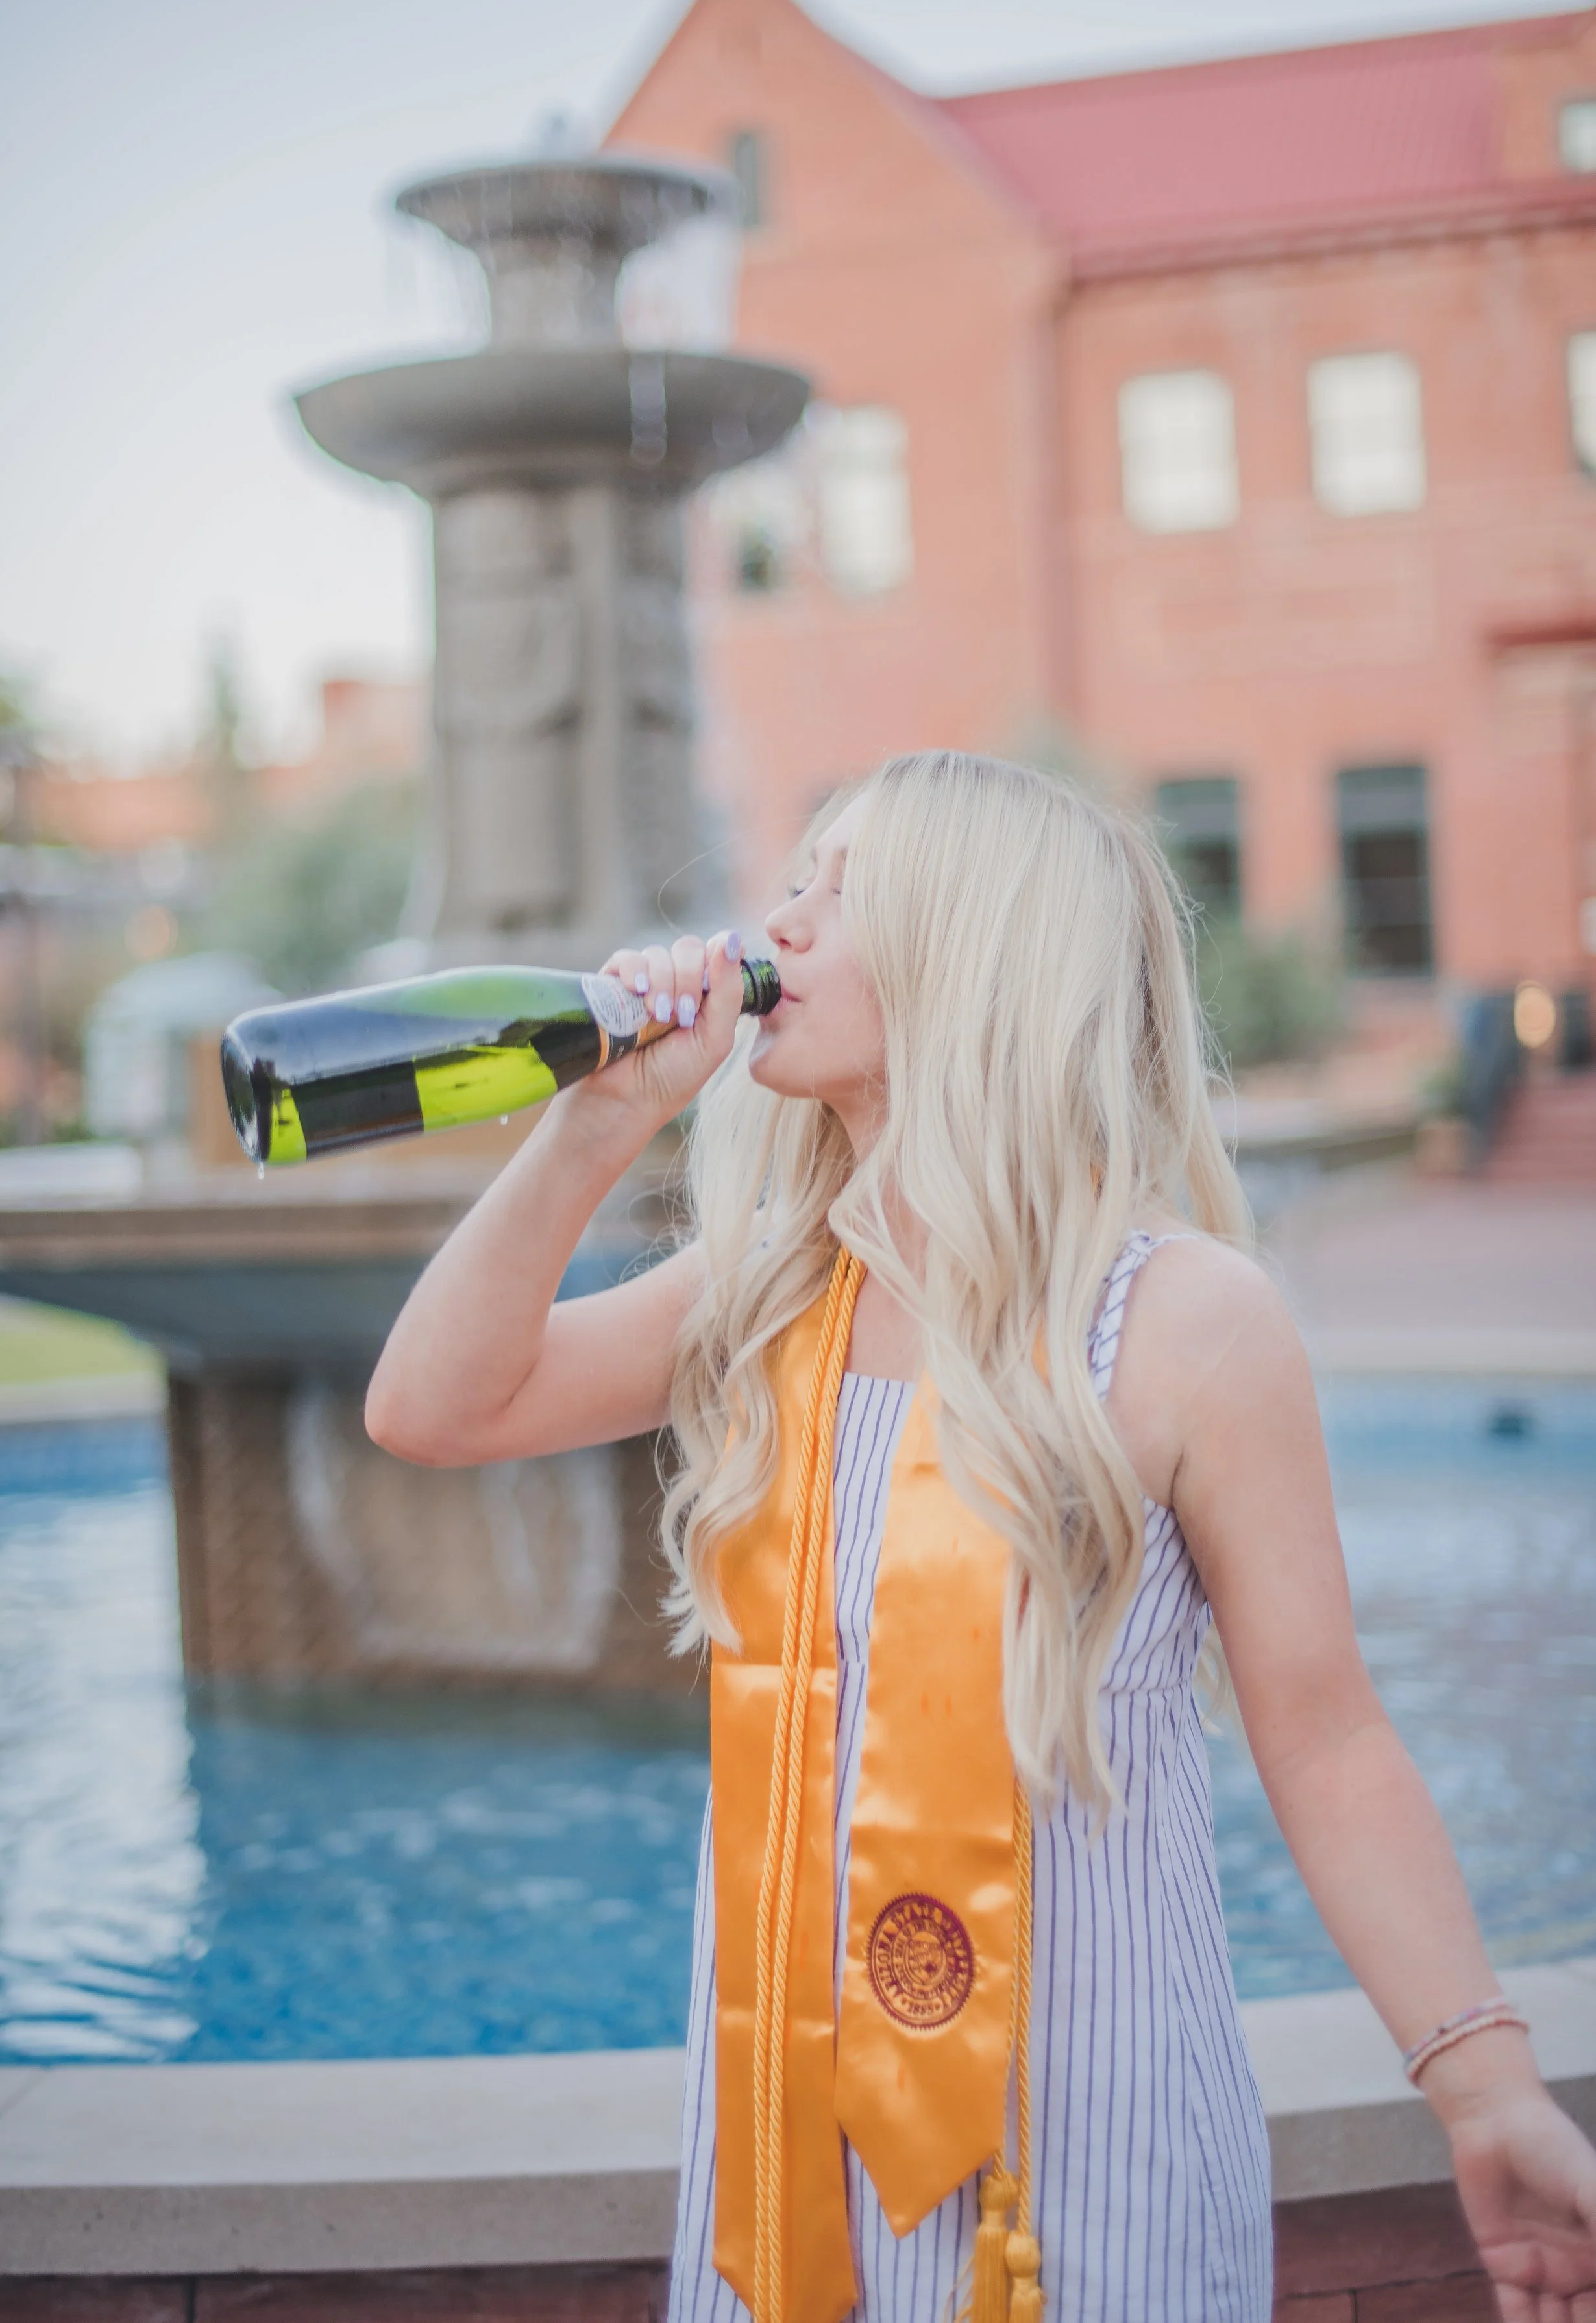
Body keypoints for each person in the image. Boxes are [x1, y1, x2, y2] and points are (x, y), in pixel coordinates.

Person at [367, 752, 1596, 2323]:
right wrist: (592, 1124)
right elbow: (434, 1408)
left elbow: (1326, 1738)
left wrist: (1481, 2088)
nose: (776, 925)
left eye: (845, 891)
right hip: (785, 2170)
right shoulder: (766, 1288)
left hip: (1084, 2153)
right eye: (791, 881)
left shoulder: (1178, 1324)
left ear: (985, 959)